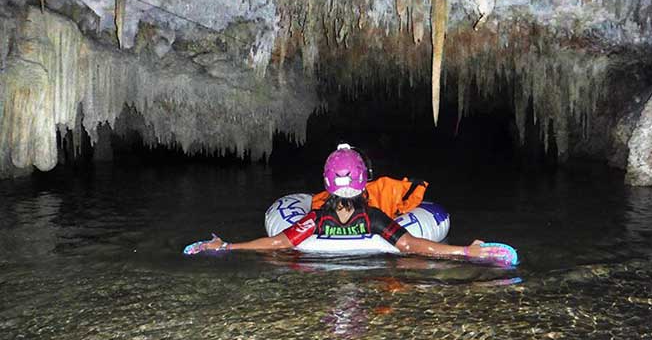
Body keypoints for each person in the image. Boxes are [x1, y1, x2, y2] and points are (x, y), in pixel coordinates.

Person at [184, 144, 518, 267]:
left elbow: (276, 242)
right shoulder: (373, 218)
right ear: (364, 181)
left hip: (317, 264)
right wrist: (465, 252)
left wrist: (227, 245)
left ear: (327, 183)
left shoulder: (315, 219)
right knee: (411, 267)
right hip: (374, 266)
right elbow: (413, 245)